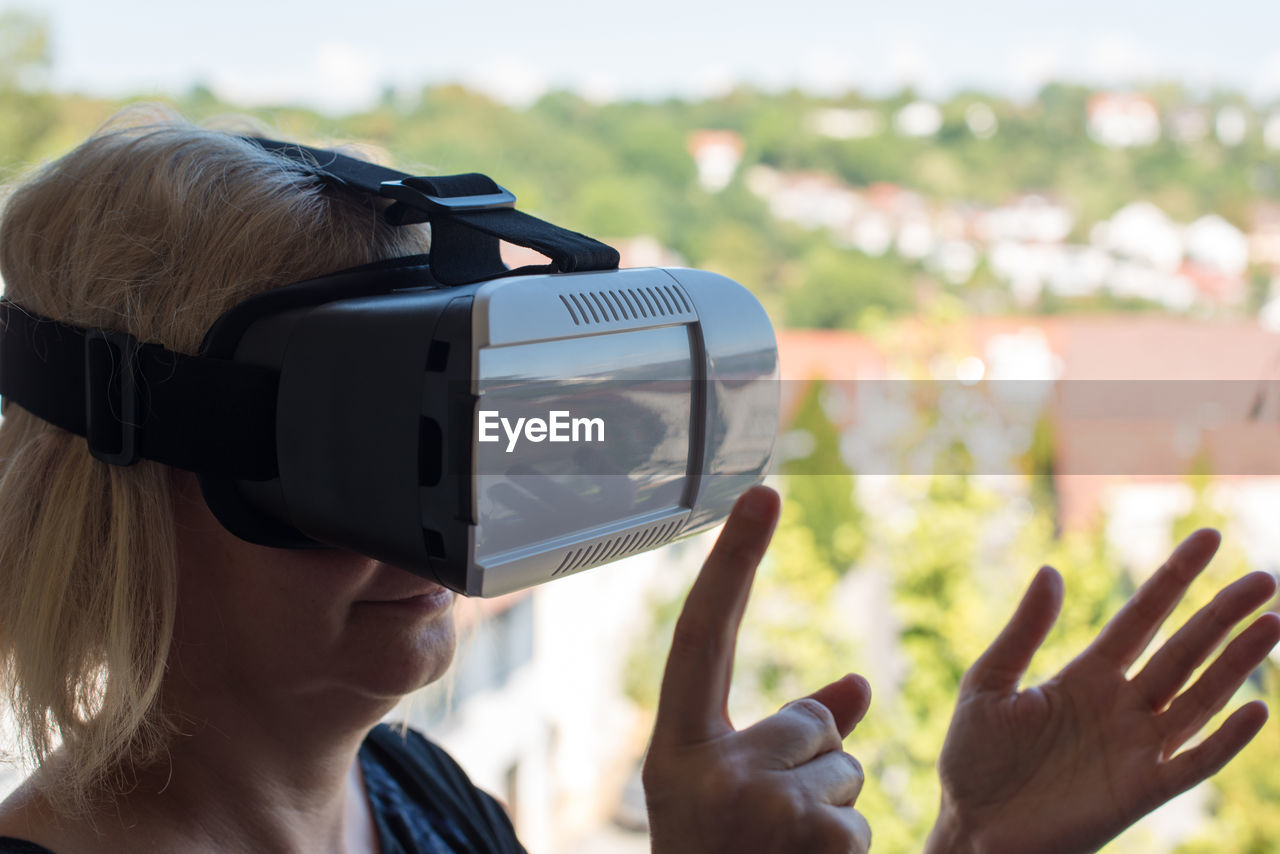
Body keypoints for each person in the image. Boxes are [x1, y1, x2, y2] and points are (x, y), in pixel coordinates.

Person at [0, 112, 1273, 854]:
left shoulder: (423, 799)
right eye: (374, 438)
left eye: (474, 415)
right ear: (112, 482)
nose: (451, 519)